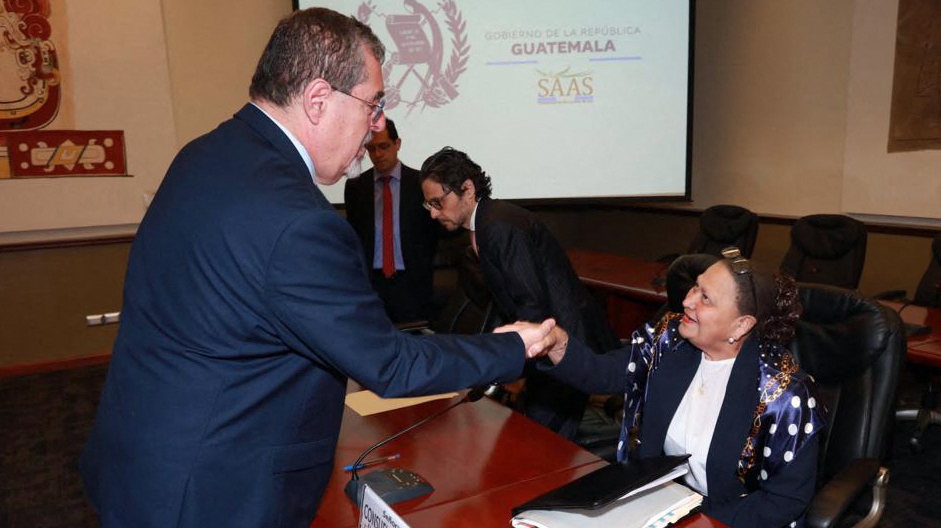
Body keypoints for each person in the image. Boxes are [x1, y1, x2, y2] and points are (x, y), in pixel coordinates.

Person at [78, 9, 556, 528]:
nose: (377, 124)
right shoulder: (296, 221)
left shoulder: (205, 154)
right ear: (318, 99)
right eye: (373, 104)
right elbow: (389, 364)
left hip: (146, 458)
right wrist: (514, 344)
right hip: (211, 491)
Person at [530, 249, 826, 527]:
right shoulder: (668, 339)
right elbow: (602, 373)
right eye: (695, 287)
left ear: (740, 326)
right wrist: (558, 344)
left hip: (731, 519)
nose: (687, 300)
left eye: (706, 298)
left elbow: (783, 502)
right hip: (663, 503)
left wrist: (696, 522)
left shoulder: (784, 394)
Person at [418, 147, 621, 439]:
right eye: (429, 205)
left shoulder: (498, 225)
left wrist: (517, 368)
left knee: (539, 443)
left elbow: (531, 303)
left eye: (438, 202)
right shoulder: (487, 222)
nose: (435, 213)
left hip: (562, 344)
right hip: (547, 347)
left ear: (467, 188)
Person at [344, 119, 439, 323]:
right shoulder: (356, 186)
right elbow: (354, 236)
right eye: (371, 149)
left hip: (412, 281)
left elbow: (434, 232)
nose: (378, 155)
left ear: (397, 144)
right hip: (372, 283)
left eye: (384, 146)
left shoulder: (421, 183)